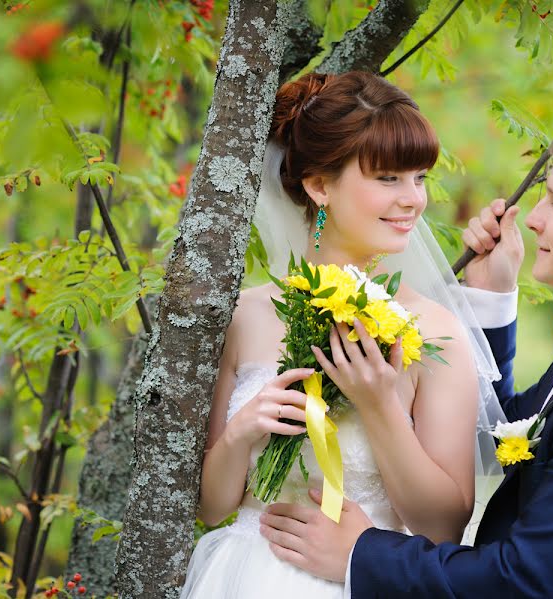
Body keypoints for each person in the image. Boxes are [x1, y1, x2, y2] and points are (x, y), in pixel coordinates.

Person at [260, 112, 553, 598]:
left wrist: (360, 553)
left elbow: (522, 581)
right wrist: (492, 299)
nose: (533, 219)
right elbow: (505, 441)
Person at [180, 71, 506, 598]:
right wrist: (243, 431)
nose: (413, 201)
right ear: (319, 185)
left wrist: (377, 403)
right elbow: (211, 506)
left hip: (362, 580)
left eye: (418, 178)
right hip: (245, 573)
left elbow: (444, 526)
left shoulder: (436, 331)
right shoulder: (245, 315)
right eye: (388, 179)